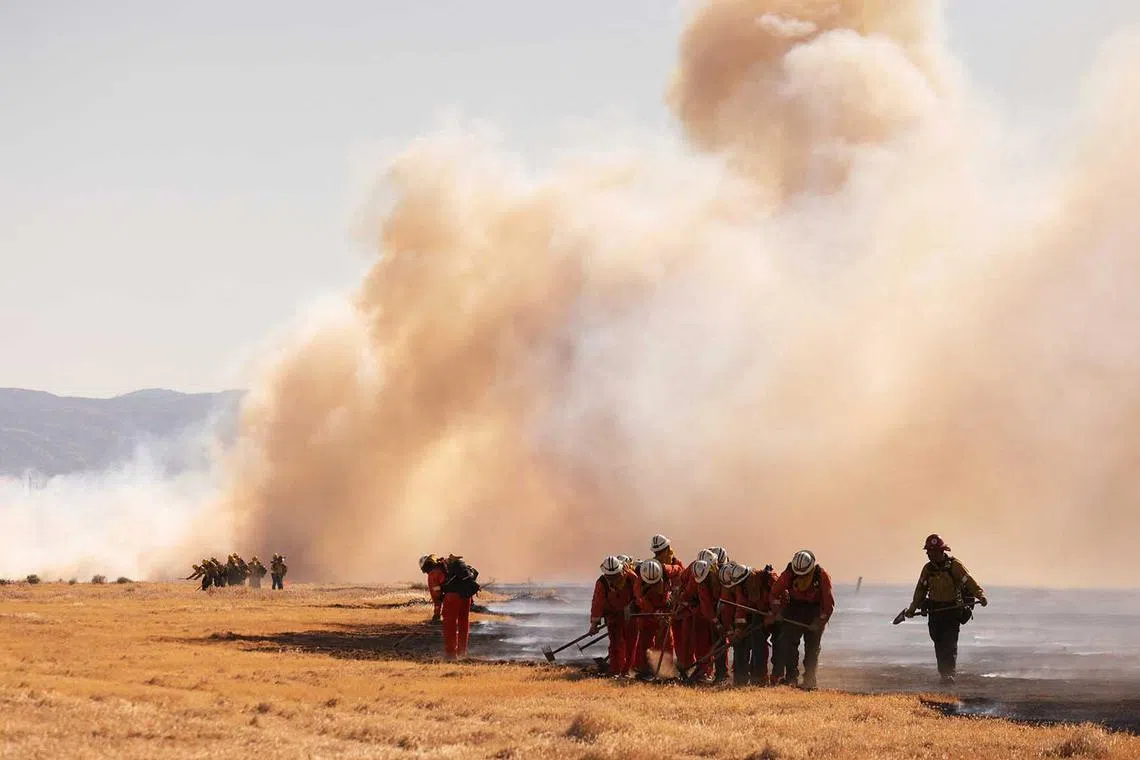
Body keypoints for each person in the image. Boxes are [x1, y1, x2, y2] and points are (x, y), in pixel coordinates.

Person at [905, 534, 988, 684]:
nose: (930, 554)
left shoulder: (955, 566)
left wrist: (980, 596)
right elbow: (920, 591)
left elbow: (969, 582)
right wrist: (912, 608)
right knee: (938, 642)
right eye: (929, 551)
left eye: (934, 551)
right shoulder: (928, 569)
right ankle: (944, 674)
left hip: (952, 610)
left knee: (949, 644)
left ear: (942, 551)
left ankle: (949, 674)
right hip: (935, 611)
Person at [771, 549, 835, 690]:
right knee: (787, 642)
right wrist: (778, 611)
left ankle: (809, 681)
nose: (801, 577)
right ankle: (791, 678)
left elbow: (828, 604)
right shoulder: (789, 573)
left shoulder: (822, 576)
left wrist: (819, 621)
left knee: (812, 648)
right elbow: (775, 593)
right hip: (794, 609)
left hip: (815, 611)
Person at [730, 563, 781, 686]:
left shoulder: (768, 580)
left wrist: (773, 614)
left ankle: (778, 677)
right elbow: (740, 609)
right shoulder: (742, 588)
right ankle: (758, 677)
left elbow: (781, 597)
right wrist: (739, 629)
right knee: (756, 640)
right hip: (760, 613)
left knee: (780, 644)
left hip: (780, 615)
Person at [588, 555, 637, 676]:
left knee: (631, 643)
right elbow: (597, 603)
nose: (612, 578)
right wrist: (594, 624)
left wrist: (632, 605)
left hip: (630, 616)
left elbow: (639, 594)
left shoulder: (631, 577)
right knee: (615, 644)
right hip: (613, 616)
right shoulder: (602, 583)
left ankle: (628, 671)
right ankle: (615, 670)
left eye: (615, 575)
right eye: (609, 576)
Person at [632, 558, 673, 679]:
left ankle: (666, 671)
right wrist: (656, 613)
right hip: (647, 614)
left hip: (664, 609)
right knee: (645, 640)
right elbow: (643, 602)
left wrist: (674, 597)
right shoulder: (639, 585)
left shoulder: (667, 571)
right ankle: (644, 669)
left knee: (667, 641)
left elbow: (679, 575)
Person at [438, 554, 481, 659]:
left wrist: (436, 613)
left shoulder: (436, 572)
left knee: (450, 625)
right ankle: (462, 652)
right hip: (466, 596)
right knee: (464, 624)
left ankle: (450, 654)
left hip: (452, 597)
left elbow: (436, 594)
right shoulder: (460, 569)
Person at [419, 555, 447, 623]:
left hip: (451, 597)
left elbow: (436, 596)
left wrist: (436, 615)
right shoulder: (441, 569)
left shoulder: (432, 574)